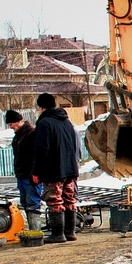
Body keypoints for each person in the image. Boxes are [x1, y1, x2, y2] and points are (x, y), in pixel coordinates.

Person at [32, 93, 80, 243]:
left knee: (55, 201)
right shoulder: (66, 121)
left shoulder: (44, 123)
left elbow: (41, 150)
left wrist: (36, 170)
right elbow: (74, 145)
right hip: (70, 169)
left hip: (54, 170)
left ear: (41, 107)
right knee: (69, 199)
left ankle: (58, 234)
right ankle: (70, 232)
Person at [6, 109, 42, 231]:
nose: (11, 127)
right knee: (25, 201)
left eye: (11, 124)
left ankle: (35, 231)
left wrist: (35, 171)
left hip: (30, 174)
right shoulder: (19, 135)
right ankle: (33, 230)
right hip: (22, 174)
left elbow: (36, 155)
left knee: (32, 202)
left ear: (18, 121)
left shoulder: (31, 133)